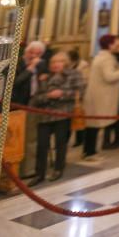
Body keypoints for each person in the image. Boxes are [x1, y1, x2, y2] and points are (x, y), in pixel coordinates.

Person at [30, 51, 83, 186]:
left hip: (62, 114)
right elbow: (36, 98)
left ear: (65, 63)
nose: (55, 65)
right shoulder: (45, 77)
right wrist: (48, 96)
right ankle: (39, 173)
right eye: (53, 62)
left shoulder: (74, 75)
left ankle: (58, 169)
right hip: (44, 116)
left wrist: (62, 94)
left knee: (60, 143)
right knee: (42, 145)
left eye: (58, 62)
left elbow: (79, 92)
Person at [81, 34, 119, 161]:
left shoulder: (101, 56)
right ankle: (90, 153)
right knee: (94, 126)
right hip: (100, 97)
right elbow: (109, 76)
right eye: (115, 43)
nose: (117, 45)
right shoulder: (107, 59)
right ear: (110, 45)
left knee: (92, 126)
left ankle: (88, 151)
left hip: (96, 96)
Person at [13, 40, 48, 178]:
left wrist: (44, 78)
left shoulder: (42, 64)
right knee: (16, 139)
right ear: (27, 51)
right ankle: (14, 169)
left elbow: (44, 79)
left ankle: (27, 170)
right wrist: (30, 69)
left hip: (34, 103)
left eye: (38, 54)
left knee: (31, 138)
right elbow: (15, 83)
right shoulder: (16, 63)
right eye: (32, 52)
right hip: (17, 105)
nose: (34, 56)